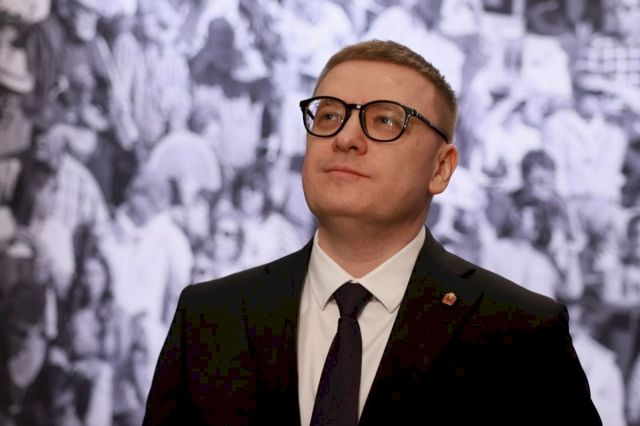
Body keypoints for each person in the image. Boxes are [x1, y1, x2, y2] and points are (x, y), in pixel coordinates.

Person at [143, 40, 601, 425]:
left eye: (384, 120)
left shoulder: (521, 334)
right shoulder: (209, 318)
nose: (345, 137)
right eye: (328, 116)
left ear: (441, 168)